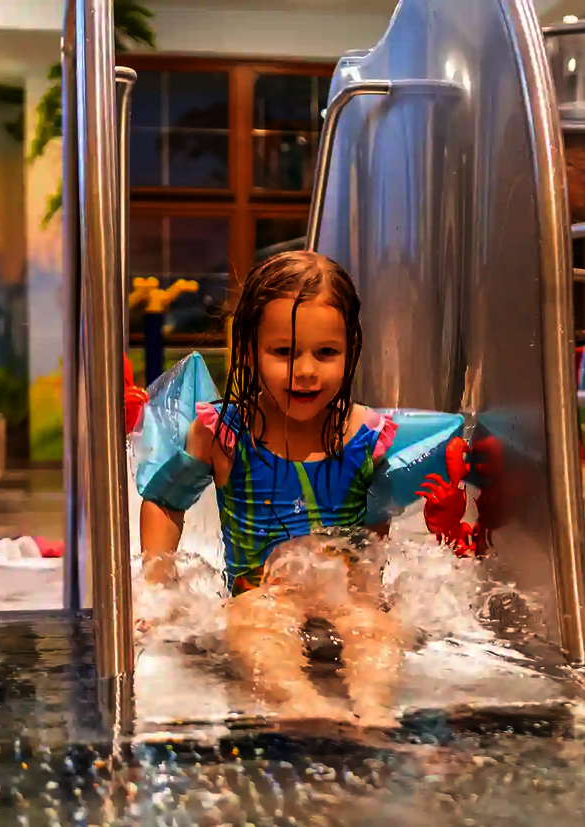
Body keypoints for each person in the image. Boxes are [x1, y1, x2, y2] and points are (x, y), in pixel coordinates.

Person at [137, 251, 408, 728]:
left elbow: (373, 528)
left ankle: (375, 708)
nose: (305, 371)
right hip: (260, 592)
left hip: (340, 594)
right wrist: (156, 592)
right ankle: (297, 700)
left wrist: (369, 591)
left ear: (351, 351)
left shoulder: (368, 436)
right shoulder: (222, 432)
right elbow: (164, 501)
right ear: (248, 351)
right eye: (284, 352)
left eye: (326, 353)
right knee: (257, 620)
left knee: (374, 627)